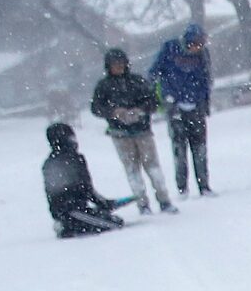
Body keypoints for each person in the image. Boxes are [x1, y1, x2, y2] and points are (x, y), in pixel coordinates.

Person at [87, 46, 174, 216]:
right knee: (132, 170)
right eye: (115, 64)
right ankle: (142, 204)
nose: (118, 67)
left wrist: (139, 110)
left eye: (121, 63)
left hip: (143, 132)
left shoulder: (138, 81)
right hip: (120, 135)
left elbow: (154, 102)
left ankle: (164, 200)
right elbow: (96, 107)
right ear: (108, 66)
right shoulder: (103, 86)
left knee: (153, 168)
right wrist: (114, 112)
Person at [149, 23, 213, 196]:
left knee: (200, 149)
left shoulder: (203, 55)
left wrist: (205, 102)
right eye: (195, 44)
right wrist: (163, 97)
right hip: (175, 107)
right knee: (179, 150)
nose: (197, 48)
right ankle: (182, 187)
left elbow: (206, 78)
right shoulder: (169, 49)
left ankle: (204, 185)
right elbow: (153, 73)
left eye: (201, 44)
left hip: (196, 105)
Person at [40, 122, 127, 237]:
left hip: (67, 210)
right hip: (72, 211)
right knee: (115, 223)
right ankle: (68, 227)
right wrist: (103, 203)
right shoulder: (73, 160)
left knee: (104, 217)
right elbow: (85, 188)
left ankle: (69, 223)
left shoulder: (50, 162)